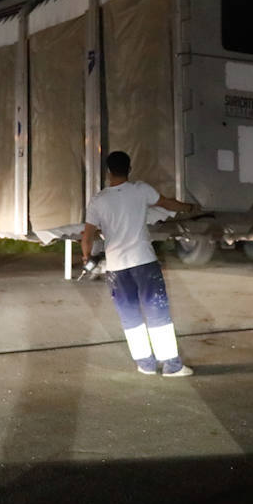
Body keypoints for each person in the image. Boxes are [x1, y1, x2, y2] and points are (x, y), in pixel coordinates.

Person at [82, 150, 197, 377]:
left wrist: (87, 258)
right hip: (143, 261)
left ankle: (145, 364)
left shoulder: (98, 200)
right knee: (157, 312)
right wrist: (189, 208)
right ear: (130, 169)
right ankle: (171, 366)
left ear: (107, 172)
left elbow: (86, 236)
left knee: (130, 316)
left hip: (116, 268)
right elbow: (168, 203)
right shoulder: (141, 190)